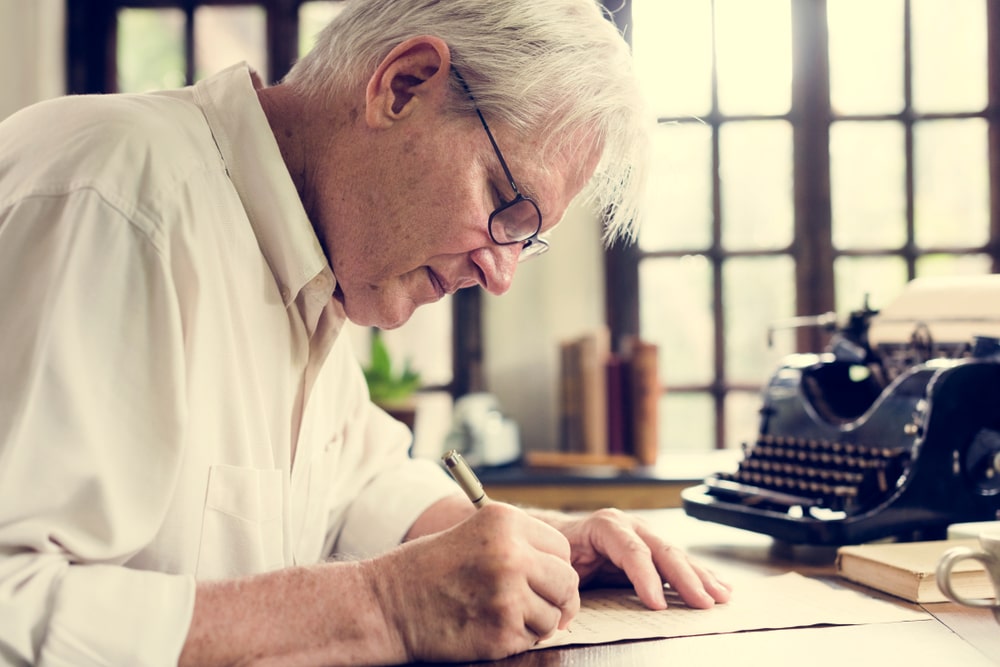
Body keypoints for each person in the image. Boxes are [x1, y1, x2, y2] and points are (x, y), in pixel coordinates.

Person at [0, 0, 731, 664]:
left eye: (526, 238)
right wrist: (383, 607)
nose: (502, 273)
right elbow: (11, 601)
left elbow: (358, 488)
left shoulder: (308, 257)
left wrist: (547, 547)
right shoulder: (117, 197)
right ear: (403, 86)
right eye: (507, 207)